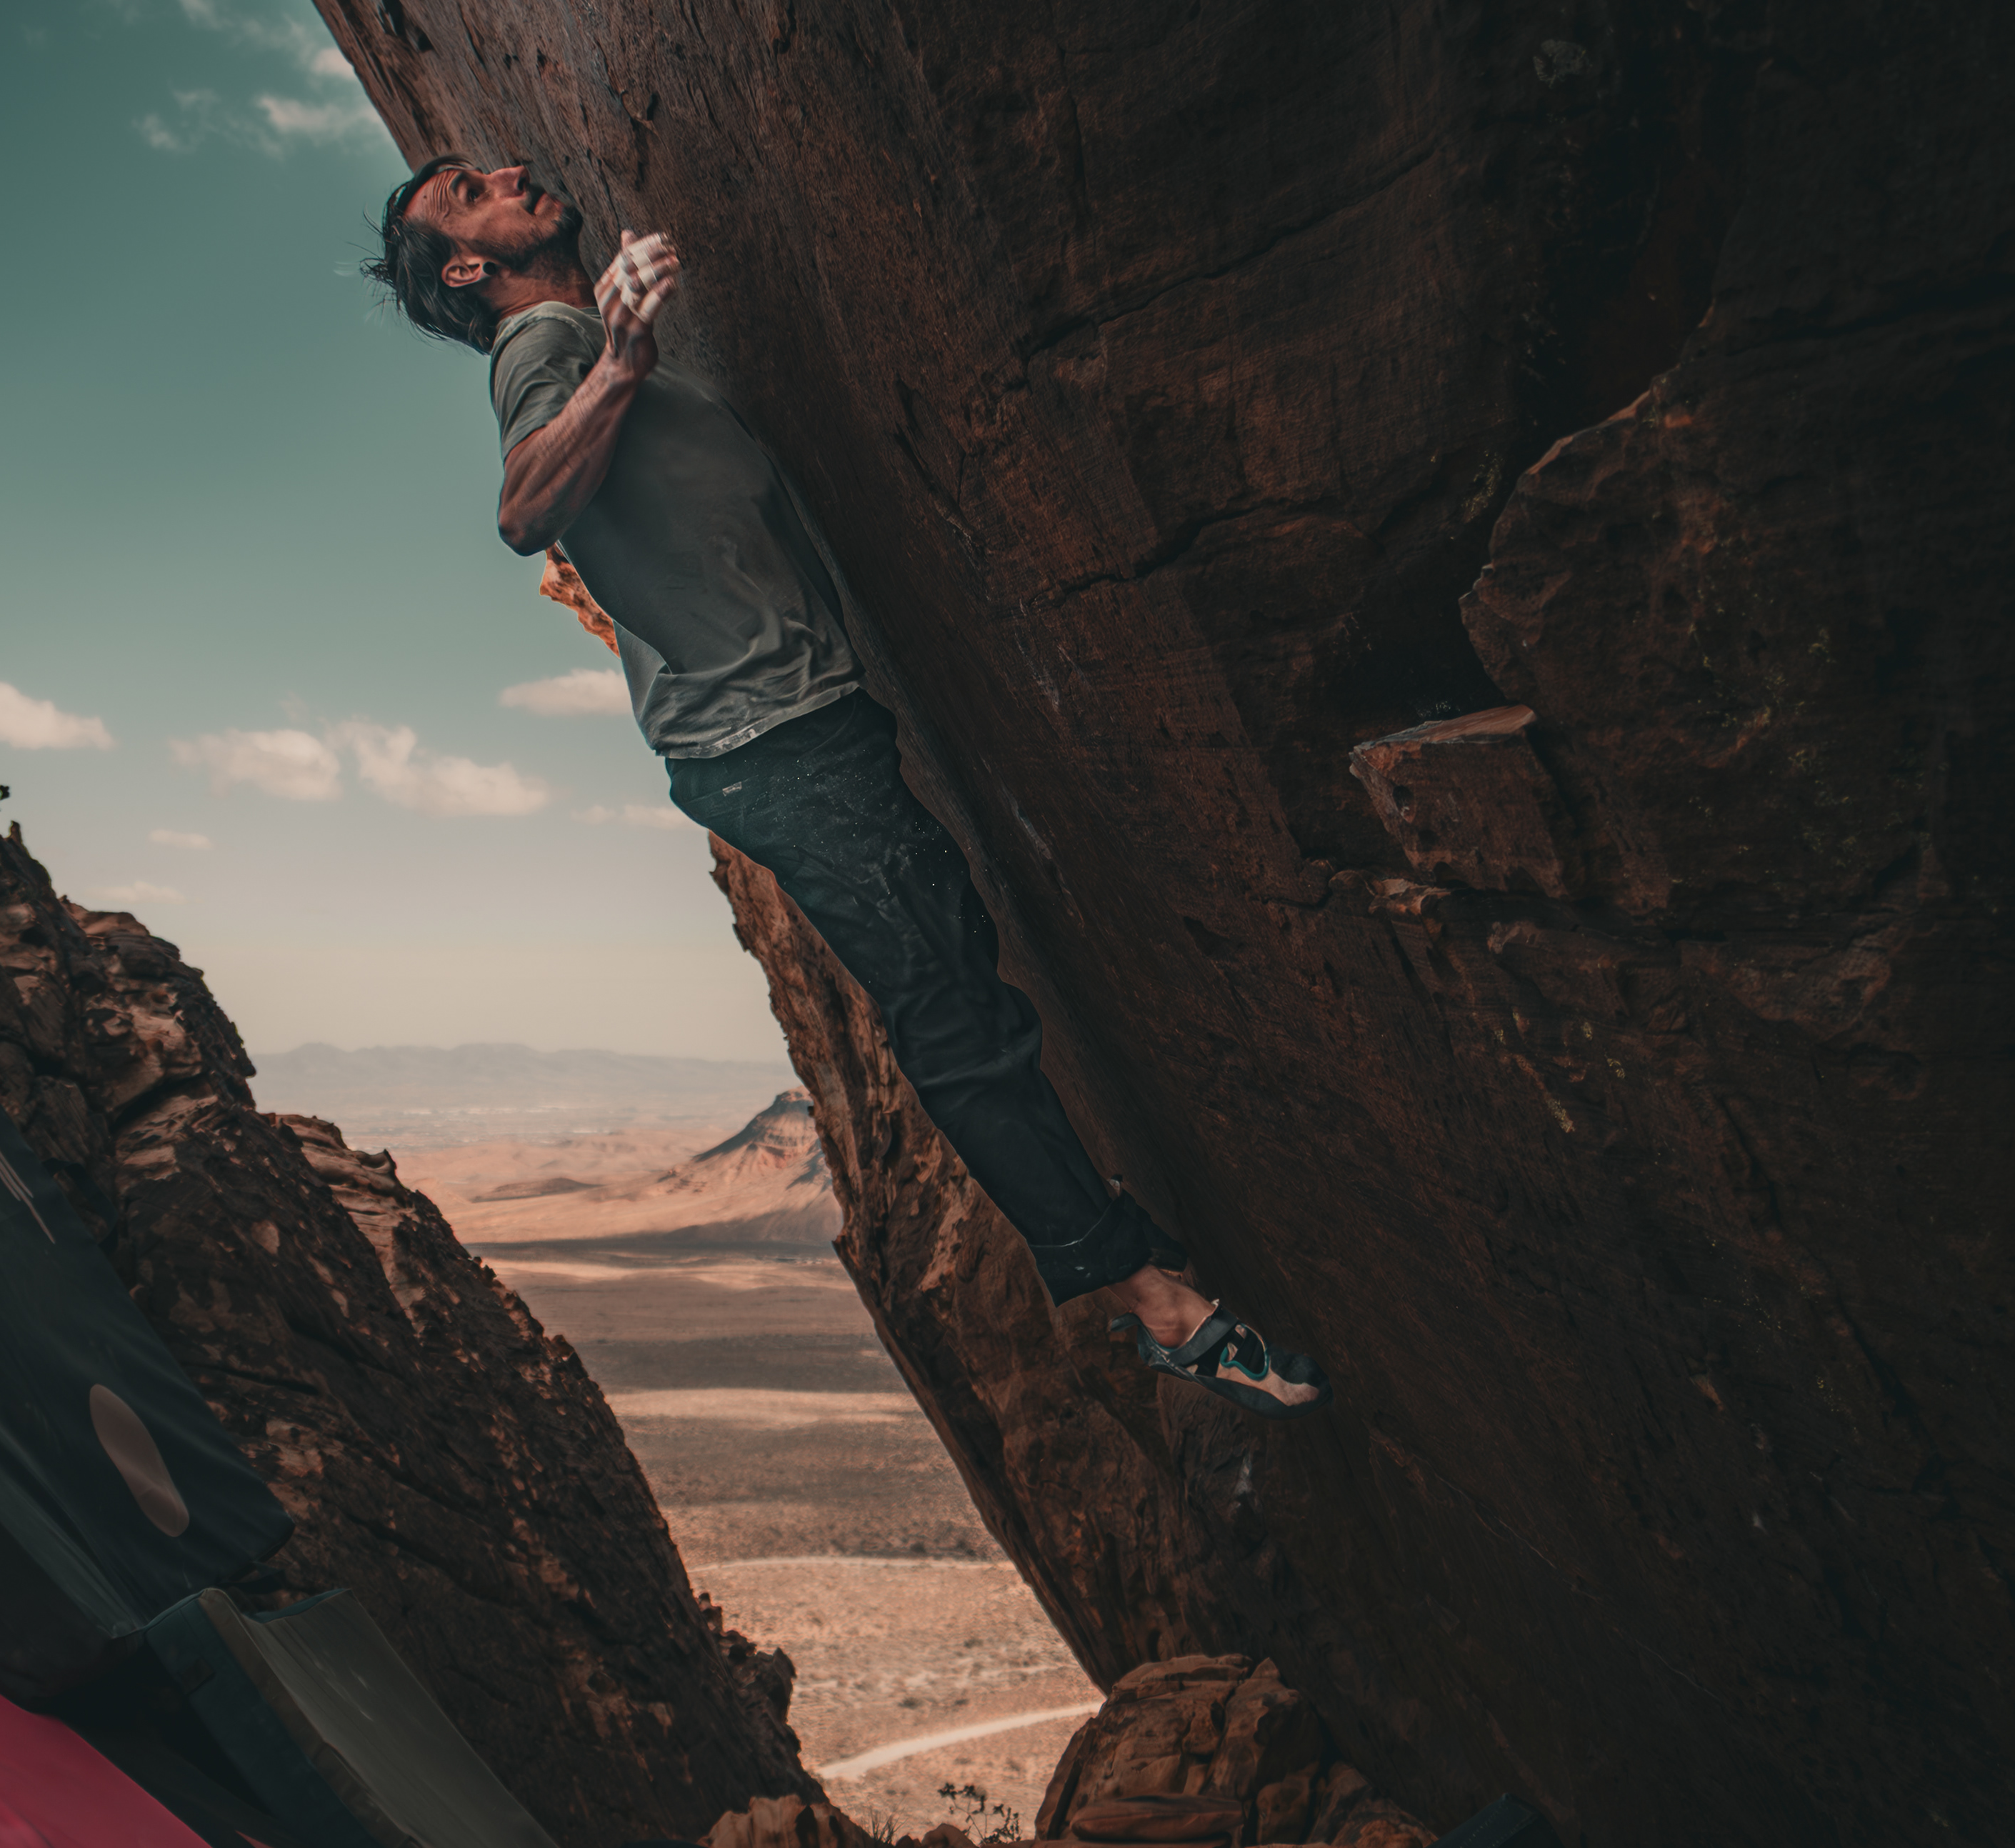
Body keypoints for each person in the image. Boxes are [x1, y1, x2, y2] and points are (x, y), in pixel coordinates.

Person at [364, 156, 1325, 1417]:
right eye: (467, 189)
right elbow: (525, 508)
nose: (506, 170)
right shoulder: (544, 339)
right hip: (774, 742)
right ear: (466, 268)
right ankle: (1159, 1307)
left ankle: (1131, 1262)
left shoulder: (573, 329)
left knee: (957, 984)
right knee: (955, 1022)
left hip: (790, 729)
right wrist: (619, 360)